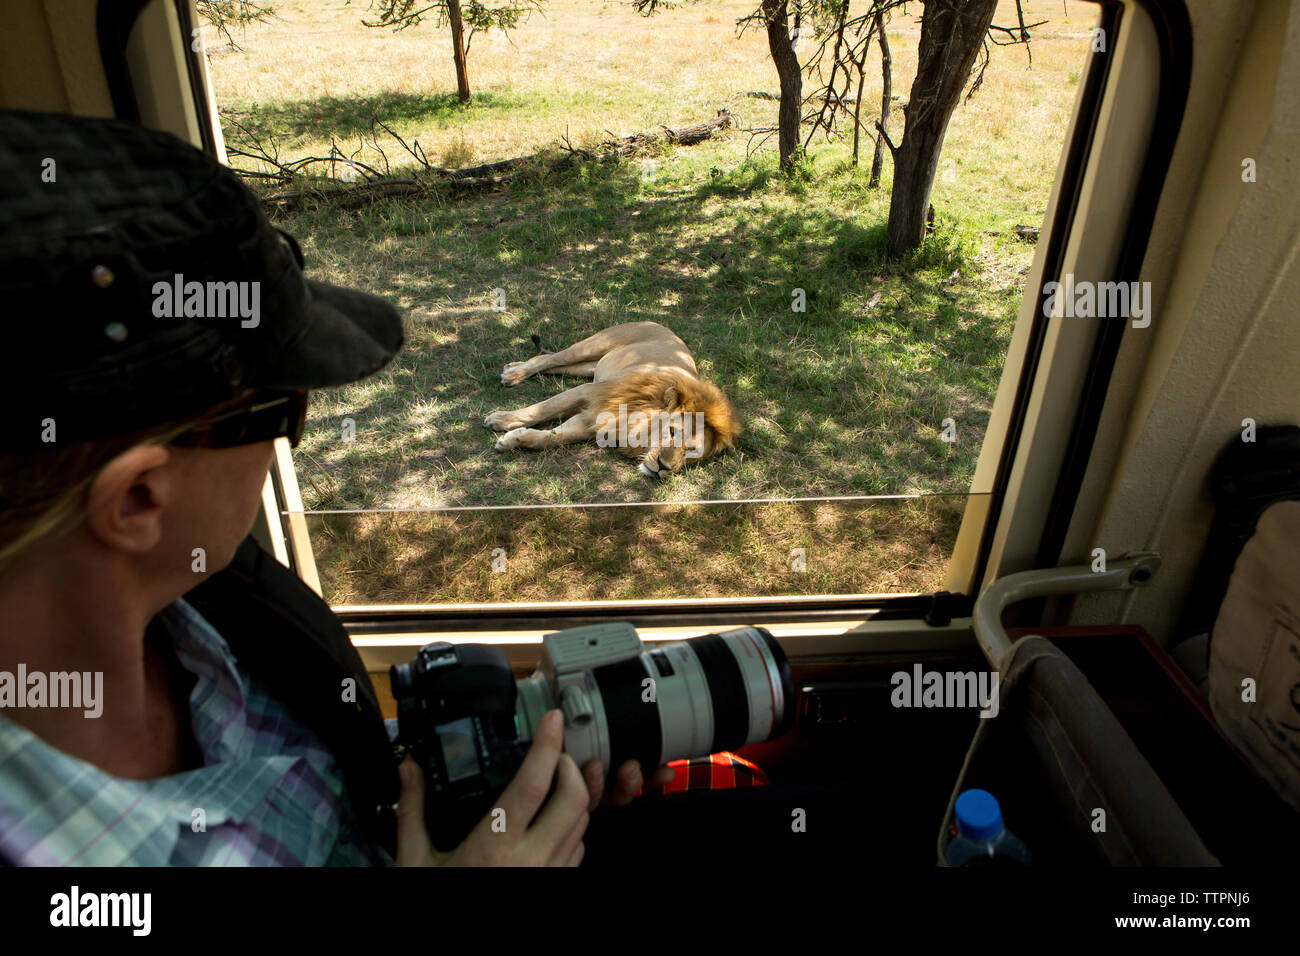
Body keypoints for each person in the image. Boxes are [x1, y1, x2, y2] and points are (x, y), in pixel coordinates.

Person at [0, 108, 672, 866]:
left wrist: (482, 777)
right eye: (281, 406)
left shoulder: (205, 611)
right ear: (137, 500)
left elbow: (326, 781)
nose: (303, 426)